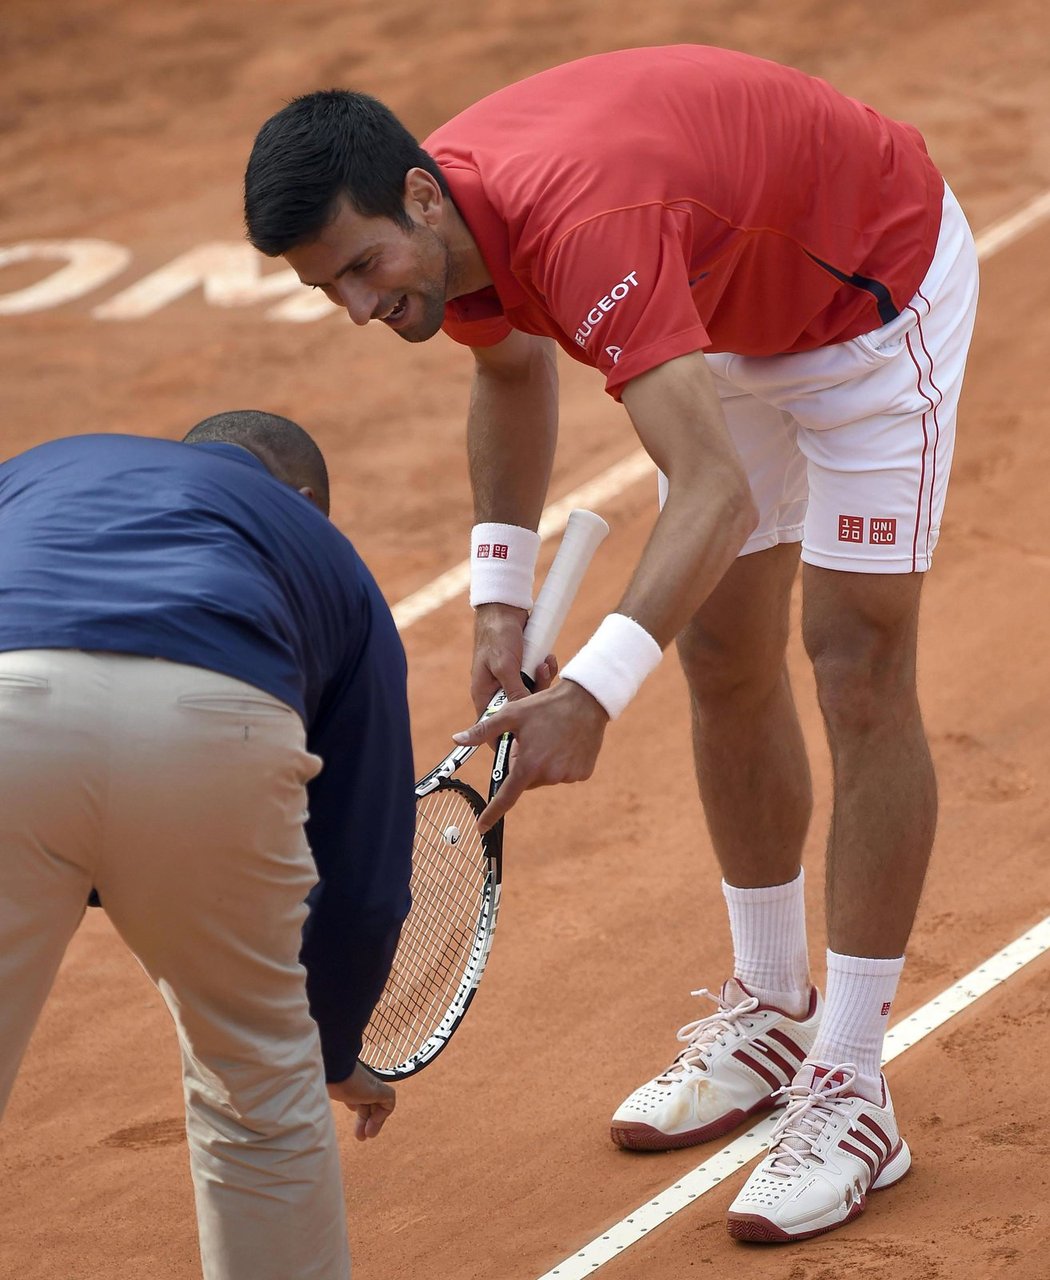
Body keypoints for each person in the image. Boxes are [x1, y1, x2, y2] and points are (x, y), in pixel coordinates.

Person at [243, 44, 979, 1242]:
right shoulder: (447, 226)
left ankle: (849, 1080)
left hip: (868, 297)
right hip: (726, 301)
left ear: (420, 197)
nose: (362, 309)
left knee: (853, 664)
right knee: (720, 651)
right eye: (334, 290)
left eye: (366, 269)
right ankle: (769, 1008)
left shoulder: (581, 223)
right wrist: (500, 599)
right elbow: (509, 364)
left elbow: (714, 497)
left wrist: (589, 688)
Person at [0, 412, 415, 1280]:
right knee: (259, 1102)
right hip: (216, 725)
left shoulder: (41, 467)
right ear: (302, 501)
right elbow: (365, 880)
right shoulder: (319, 547)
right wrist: (325, 1049)